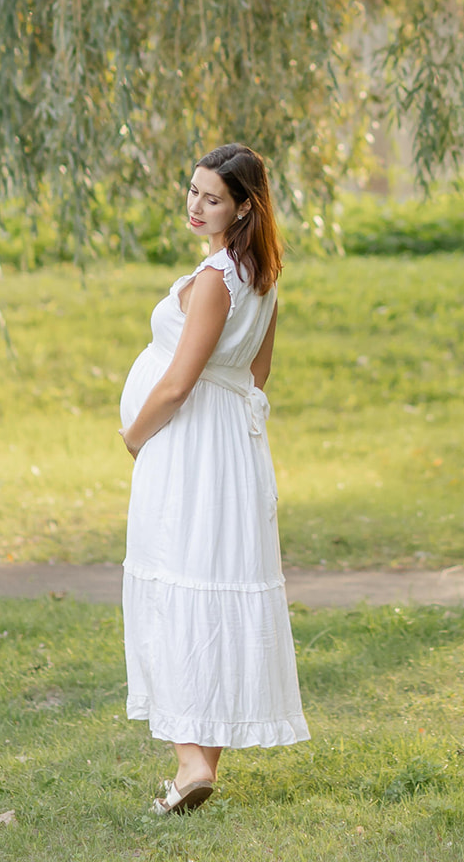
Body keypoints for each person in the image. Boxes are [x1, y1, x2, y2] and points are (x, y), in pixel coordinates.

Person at [118, 142, 309, 815]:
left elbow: (178, 383)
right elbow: (255, 375)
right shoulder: (262, 278)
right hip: (231, 449)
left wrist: (134, 436)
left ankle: (190, 759)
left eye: (212, 198)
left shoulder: (214, 281)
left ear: (242, 206)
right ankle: (195, 772)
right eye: (193, 191)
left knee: (177, 585)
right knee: (216, 583)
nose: (196, 206)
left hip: (189, 450)